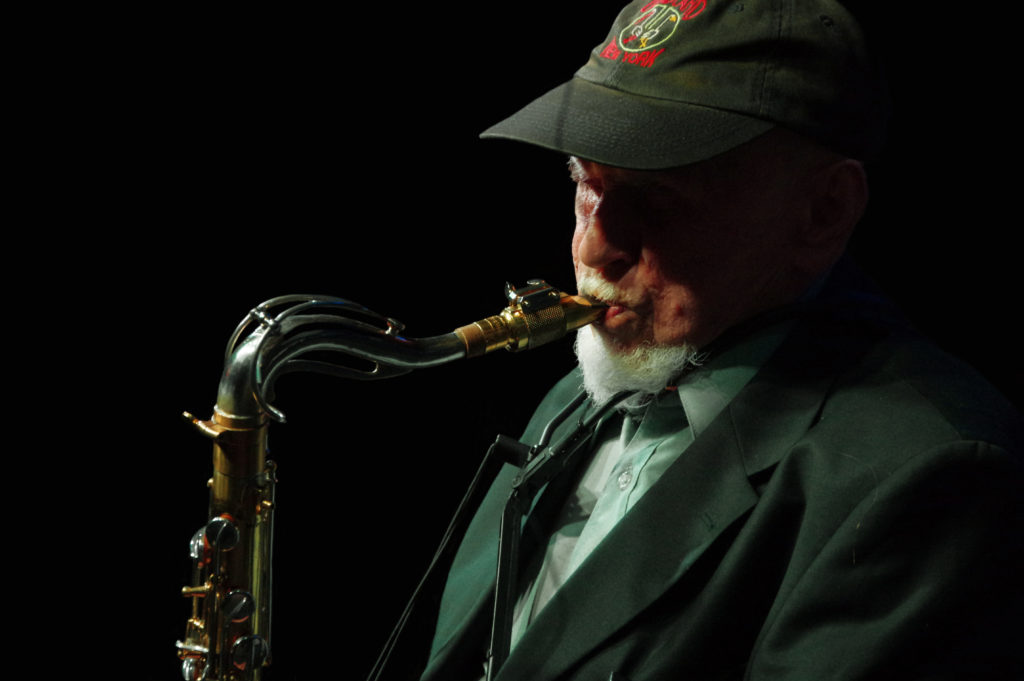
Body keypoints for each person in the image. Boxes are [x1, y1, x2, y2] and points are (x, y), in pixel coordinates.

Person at [374, 2, 1024, 679]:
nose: (594, 245)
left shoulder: (932, 476)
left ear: (823, 212)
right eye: (585, 184)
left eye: (655, 199)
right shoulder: (575, 396)